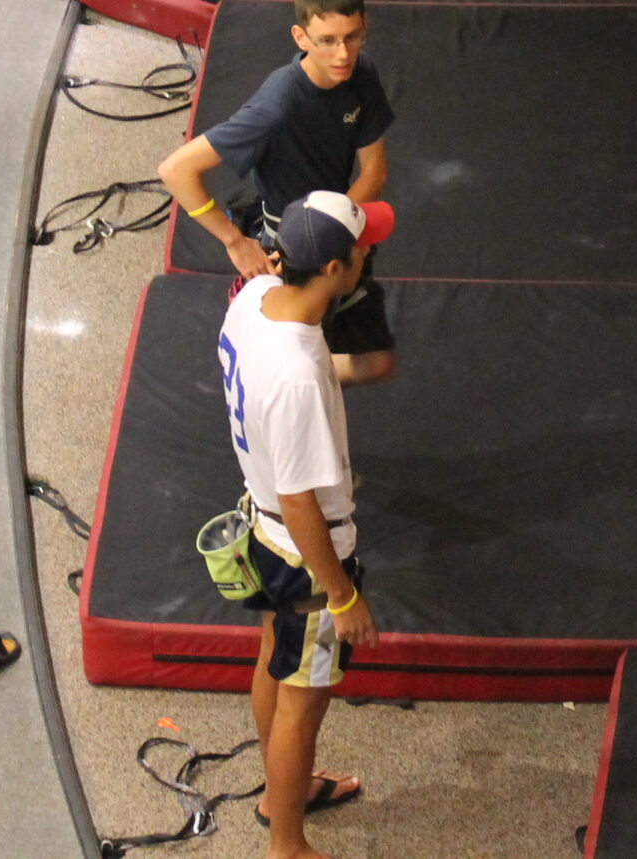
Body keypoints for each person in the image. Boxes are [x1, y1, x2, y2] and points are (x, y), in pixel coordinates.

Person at [218, 190, 393, 859]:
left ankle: (277, 792)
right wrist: (343, 595)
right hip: (303, 552)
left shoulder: (252, 298)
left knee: (273, 654)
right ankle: (287, 845)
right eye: (361, 248)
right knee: (304, 702)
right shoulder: (296, 375)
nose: (369, 251)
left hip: (263, 533)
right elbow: (301, 502)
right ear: (333, 270)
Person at [160, 0, 396, 385]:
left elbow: (375, 170)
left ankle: (292, 381)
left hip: (339, 230)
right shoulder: (279, 104)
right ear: (301, 37)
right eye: (327, 40)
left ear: (364, 29)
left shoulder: (361, 73)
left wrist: (339, 230)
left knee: (375, 363)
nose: (343, 53)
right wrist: (235, 241)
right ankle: (274, 376)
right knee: (297, 348)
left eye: (352, 37)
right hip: (289, 249)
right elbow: (176, 170)